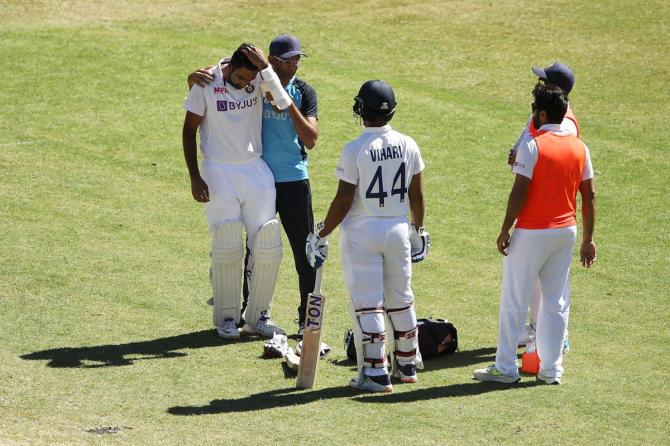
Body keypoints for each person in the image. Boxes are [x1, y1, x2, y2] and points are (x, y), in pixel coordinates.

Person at [189, 34, 319, 338]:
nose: (294, 65)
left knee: (287, 249)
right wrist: (195, 78)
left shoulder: (293, 89)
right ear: (271, 61)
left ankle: (300, 323)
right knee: (235, 245)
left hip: (288, 178)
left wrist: (271, 77)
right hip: (250, 173)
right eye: (287, 60)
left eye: (297, 59)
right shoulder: (253, 79)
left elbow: (306, 133)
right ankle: (234, 311)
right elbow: (218, 87)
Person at [306, 80, 430, 393]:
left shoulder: (354, 149)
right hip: (398, 230)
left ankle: (375, 374)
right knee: (401, 298)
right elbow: (417, 195)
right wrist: (419, 229)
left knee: (369, 304)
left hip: (363, 232)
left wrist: (321, 232)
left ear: (361, 109)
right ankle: (407, 364)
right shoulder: (409, 144)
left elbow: (344, 198)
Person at [474, 83, 596, 384]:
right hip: (565, 231)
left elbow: (519, 192)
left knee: (514, 299)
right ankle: (551, 370)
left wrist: (505, 228)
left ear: (542, 113)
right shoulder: (580, 147)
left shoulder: (532, 143)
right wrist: (588, 240)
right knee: (555, 302)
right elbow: (589, 196)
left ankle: (505, 368)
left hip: (531, 232)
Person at [508, 62, 580, 351]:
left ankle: (556, 337)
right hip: (534, 208)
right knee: (539, 279)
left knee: (553, 283)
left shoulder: (566, 124)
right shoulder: (541, 112)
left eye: (543, 81)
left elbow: (560, 166)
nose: (538, 85)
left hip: (551, 213)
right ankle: (537, 330)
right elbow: (527, 142)